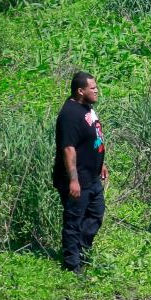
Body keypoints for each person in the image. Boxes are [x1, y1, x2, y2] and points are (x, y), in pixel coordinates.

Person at [52, 71, 108, 272]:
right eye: (92, 88)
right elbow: (68, 148)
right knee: (74, 221)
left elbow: (92, 137)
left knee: (96, 214)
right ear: (80, 90)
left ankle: (82, 252)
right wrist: (73, 180)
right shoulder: (69, 115)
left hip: (92, 177)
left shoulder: (87, 108)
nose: (96, 90)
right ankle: (72, 265)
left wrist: (100, 162)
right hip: (78, 180)